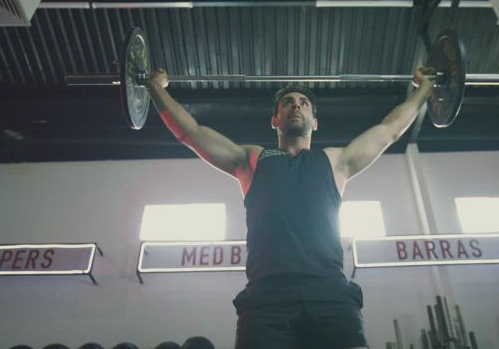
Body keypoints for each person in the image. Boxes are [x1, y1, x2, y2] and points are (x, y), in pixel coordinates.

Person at [144, 68, 434, 349]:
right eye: (288, 103)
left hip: (329, 292)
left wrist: (424, 91)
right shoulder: (253, 160)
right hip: (266, 298)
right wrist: (155, 88)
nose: (296, 106)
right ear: (275, 119)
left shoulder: (335, 162)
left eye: (304, 103)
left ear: (315, 121)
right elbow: (192, 133)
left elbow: (389, 130)